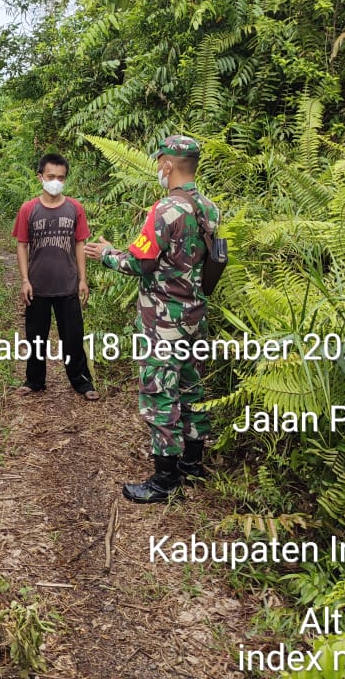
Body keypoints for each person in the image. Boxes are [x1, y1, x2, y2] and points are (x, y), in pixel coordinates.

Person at [85, 135, 220, 502]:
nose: (158, 167)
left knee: (160, 392)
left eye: (160, 161)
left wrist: (107, 253)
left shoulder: (164, 210)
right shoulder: (209, 208)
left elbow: (140, 261)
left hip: (163, 321)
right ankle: (193, 464)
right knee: (192, 388)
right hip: (195, 316)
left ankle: (164, 480)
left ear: (167, 165)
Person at [12, 153, 98, 400]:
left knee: (73, 336)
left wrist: (82, 279)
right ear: (40, 177)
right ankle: (34, 380)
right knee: (35, 336)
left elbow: (80, 244)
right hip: (37, 286)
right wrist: (25, 280)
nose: (56, 181)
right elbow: (21, 245)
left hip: (68, 284)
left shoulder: (74, 208)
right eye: (51, 176)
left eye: (61, 177)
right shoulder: (28, 209)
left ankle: (82, 382)